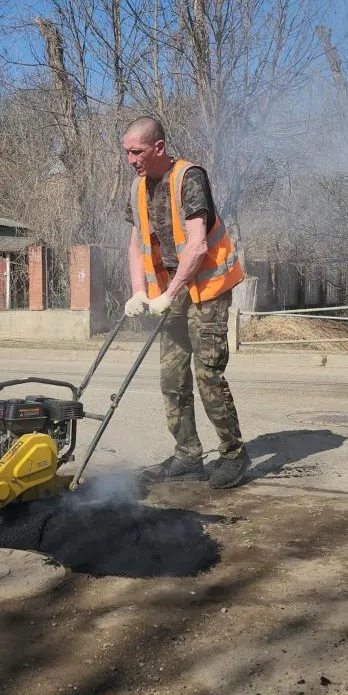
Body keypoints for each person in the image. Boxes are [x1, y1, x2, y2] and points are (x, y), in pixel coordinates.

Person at [121, 116, 250, 489]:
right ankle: (187, 454)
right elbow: (135, 244)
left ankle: (233, 455)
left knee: (207, 373)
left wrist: (169, 294)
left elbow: (196, 245)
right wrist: (139, 291)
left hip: (206, 290)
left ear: (158, 147)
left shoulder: (190, 177)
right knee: (172, 375)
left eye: (136, 151)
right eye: (127, 152)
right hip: (169, 292)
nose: (130, 159)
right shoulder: (137, 188)